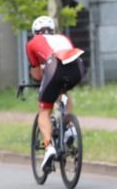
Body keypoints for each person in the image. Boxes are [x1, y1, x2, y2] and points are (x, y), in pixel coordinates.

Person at [25, 16, 85, 171]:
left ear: (35, 32)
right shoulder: (63, 38)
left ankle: (48, 146)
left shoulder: (32, 43)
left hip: (54, 66)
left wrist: (41, 74)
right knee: (63, 90)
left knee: (44, 110)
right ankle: (69, 128)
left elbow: (37, 74)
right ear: (52, 30)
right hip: (77, 67)